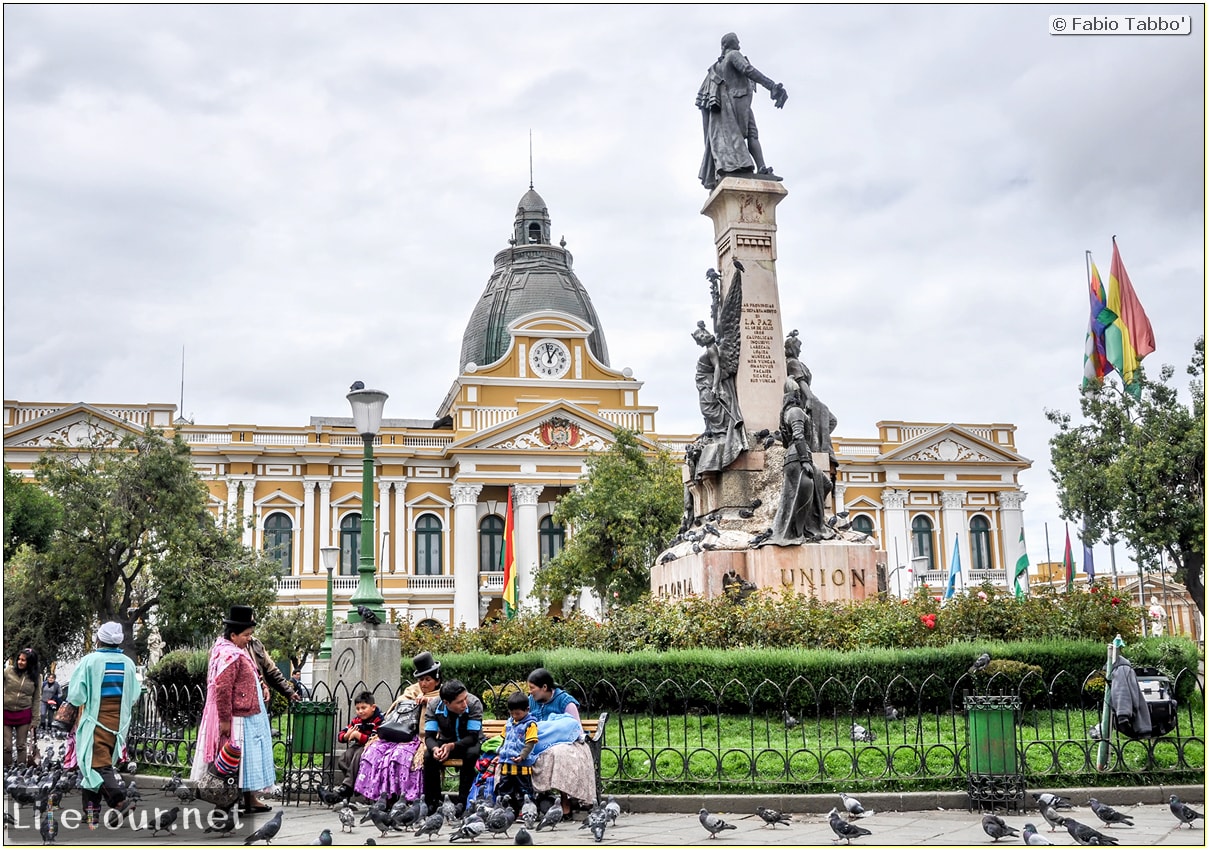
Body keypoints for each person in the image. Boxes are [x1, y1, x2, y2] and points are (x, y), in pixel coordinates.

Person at [191, 605, 277, 815]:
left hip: (248, 712)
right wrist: (225, 719)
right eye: (246, 635)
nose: (249, 639)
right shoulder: (229, 655)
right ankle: (228, 799)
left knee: (248, 758)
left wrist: (262, 686)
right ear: (233, 635)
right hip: (238, 716)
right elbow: (223, 688)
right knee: (236, 759)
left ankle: (250, 798)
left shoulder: (235, 651)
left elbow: (252, 674)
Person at [67, 623, 140, 828]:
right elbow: (134, 694)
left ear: (99, 639)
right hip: (118, 723)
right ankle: (91, 812)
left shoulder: (90, 661)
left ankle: (119, 801)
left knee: (97, 765)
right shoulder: (128, 663)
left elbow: (76, 695)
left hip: (96, 721)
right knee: (92, 765)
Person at [696, 32, 788, 190]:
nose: (739, 43)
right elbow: (749, 70)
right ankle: (753, 168)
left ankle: (762, 168)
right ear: (729, 44)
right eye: (736, 41)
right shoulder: (733, 55)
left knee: (750, 134)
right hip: (737, 102)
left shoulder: (718, 65)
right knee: (746, 135)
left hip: (733, 103)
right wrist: (771, 86)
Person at [354, 652, 442, 803]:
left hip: (423, 738)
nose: (424, 684)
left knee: (400, 755)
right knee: (375, 751)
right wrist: (415, 700)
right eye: (421, 680)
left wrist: (429, 700)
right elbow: (400, 702)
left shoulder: (444, 692)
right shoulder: (413, 690)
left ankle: (407, 797)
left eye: (428, 680)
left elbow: (447, 702)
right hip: (402, 733)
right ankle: (383, 797)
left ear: (437, 680)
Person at [768, 380, 833, 544]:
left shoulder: (788, 413)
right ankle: (801, 530)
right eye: (799, 394)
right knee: (801, 496)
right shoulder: (795, 411)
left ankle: (809, 526)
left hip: (796, 456)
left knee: (821, 486)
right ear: (796, 395)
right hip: (798, 458)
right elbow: (798, 436)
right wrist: (805, 460)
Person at [526, 668, 597, 819]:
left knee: (559, 753)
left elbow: (575, 728)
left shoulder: (565, 701)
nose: (530, 692)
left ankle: (565, 802)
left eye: (532, 688)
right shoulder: (531, 701)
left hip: (568, 742)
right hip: (538, 741)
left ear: (544, 687)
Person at [421, 678, 483, 812]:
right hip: (446, 740)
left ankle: (463, 802)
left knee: (471, 754)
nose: (464, 704)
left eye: (465, 698)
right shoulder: (434, 706)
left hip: (469, 741)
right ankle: (432, 802)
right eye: (459, 702)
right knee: (429, 756)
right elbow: (429, 737)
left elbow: (473, 737)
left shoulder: (474, 704)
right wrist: (435, 748)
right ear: (446, 703)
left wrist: (451, 746)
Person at [692, 320, 746, 473]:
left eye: (698, 339)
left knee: (708, 409)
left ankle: (721, 433)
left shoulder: (711, 349)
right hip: (704, 382)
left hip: (708, 383)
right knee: (707, 410)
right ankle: (718, 432)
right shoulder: (711, 347)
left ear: (703, 335)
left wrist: (715, 386)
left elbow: (717, 367)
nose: (698, 343)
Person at [493, 691, 538, 815]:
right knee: (505, 789)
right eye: (511, 713)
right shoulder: (509, 723)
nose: (514, 716)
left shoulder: (530, 725)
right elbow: (504, 740)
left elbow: (530, 743)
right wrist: (499, 755)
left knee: (524, 790)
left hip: (522, 766)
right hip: (507, 764)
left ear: (527, 709)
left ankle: (526, 812)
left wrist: (522, 756)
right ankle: (508, 811)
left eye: (517, 713)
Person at [337, 691, 382, 794]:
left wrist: (358, 736)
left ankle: (347, 786)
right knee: (344, 758)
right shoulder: (356, 721)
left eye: (363, 708)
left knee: (358, 755)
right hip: (358, 745)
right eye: (357, 709)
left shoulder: (378, 720)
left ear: (373, 707)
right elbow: (341, 735)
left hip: (372, 747)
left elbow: (374, 738)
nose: (360, 711)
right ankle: (356, 783)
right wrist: (346, 736)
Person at [4, 647, 41, 769]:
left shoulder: (37, 677)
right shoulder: (8, 671)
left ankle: (21, 771)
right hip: (5, 712)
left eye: (23, 660)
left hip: (24, 714)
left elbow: (36, 699)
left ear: (30, 662)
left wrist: (35, 720)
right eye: (19, 659)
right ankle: (7, 770)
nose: (20, 662)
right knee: (7, 746)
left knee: (21, 745)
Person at [40, 672, 62, 737]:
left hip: (52, 702)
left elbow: (60, 693)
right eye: (49, 677)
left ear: (54, 679)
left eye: (52, 678)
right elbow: (39, 691)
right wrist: (40, 697)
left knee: (50, 715)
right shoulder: (44, 684)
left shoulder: (56, 685)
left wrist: (56, 697)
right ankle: (42, 725)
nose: (50, 679)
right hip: (43, 701)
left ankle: (49, 726)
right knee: (42, 714)